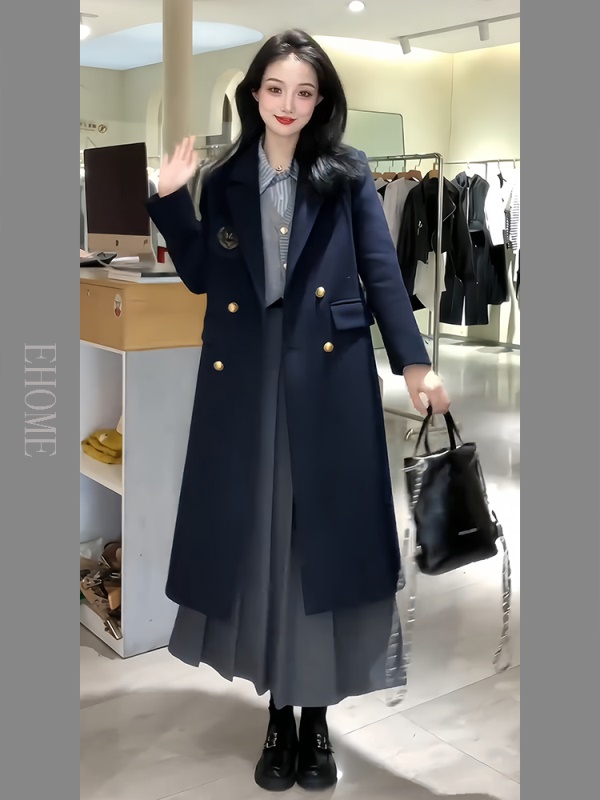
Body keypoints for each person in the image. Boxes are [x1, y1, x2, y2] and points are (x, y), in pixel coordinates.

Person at [147, 28, 450, 793]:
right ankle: (278, 716)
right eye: (276, 89)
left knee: (318, 546)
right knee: (260, 543)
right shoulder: (225, 177)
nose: (289, 104)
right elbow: (200, 274)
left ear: (321, 102)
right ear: (255, 93)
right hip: (245, 381)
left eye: (304, 92)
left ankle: (316, 721)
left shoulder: (346, 173)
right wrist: (170, 199)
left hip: (329, 376)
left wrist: (415, 362)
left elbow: (381, 271)